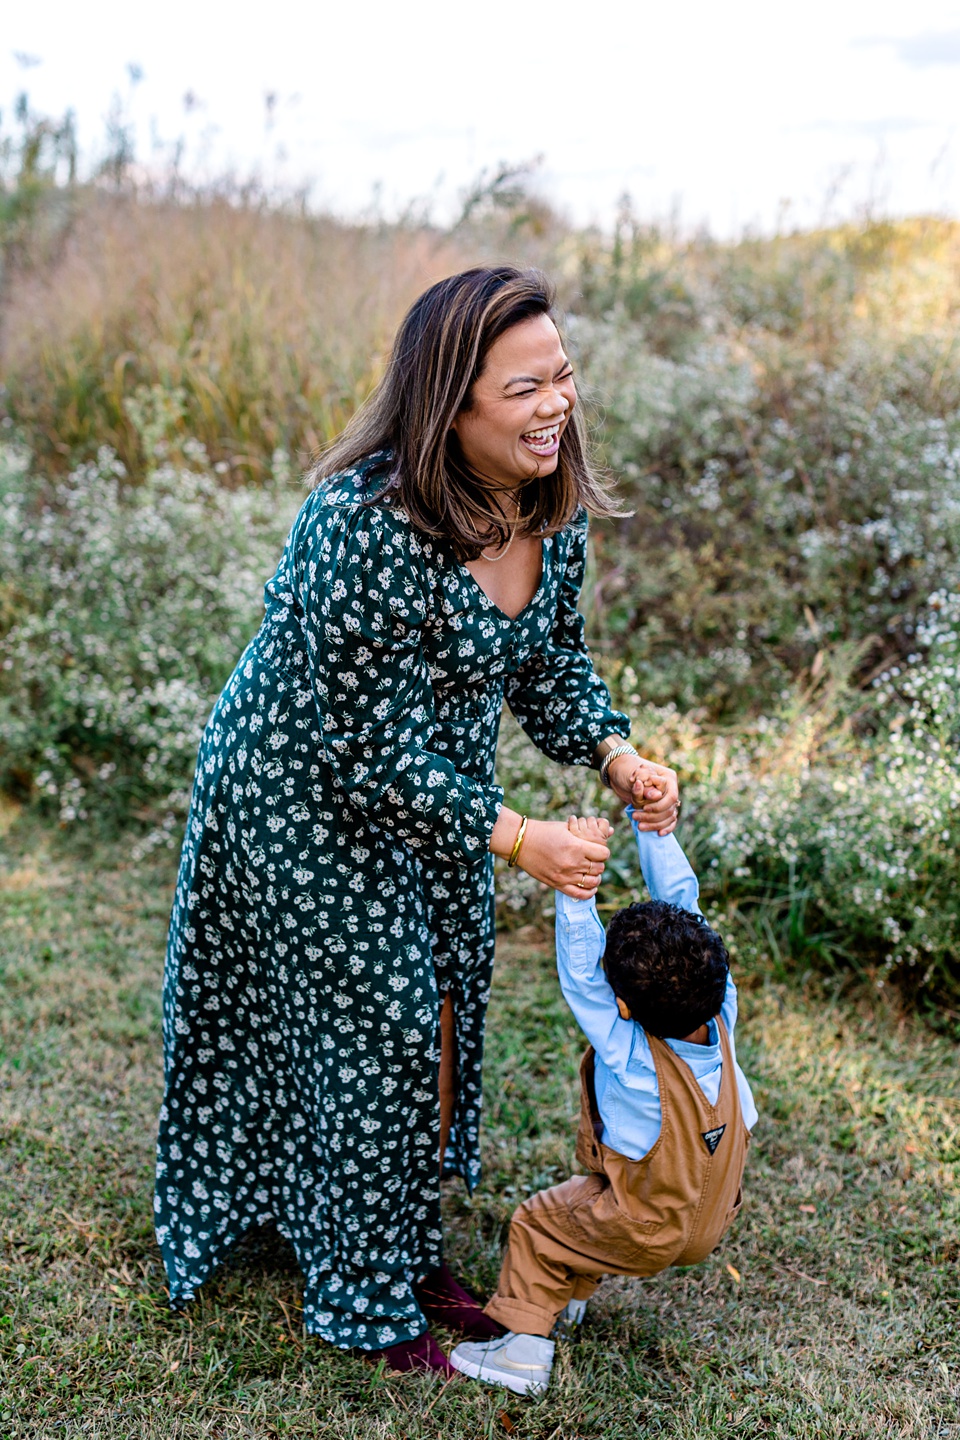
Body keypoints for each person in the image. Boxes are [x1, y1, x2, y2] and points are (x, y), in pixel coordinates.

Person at [154, 266, 680, 1376]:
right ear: (451, 404)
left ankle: (395, 1243)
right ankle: (361, 1302)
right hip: (299, 785)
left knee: (439, 1018)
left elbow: (548, 666)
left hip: (441, 794)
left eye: (564, 377)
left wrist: (617, 754)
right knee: (374, 1029)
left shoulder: (551, 508)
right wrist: (517, 836)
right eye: (524, 388)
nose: (556, 406)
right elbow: (363, 747)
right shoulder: (360, 525)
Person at [450, 809, 757, 1396]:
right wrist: (654, 830)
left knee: (541, 1223)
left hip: (649, 1223)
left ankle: (523, 1349)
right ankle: (568, 1299)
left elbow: (580, 978)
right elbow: (685, 907)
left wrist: (577, 886)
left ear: (622, 1006)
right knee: (588, 1204)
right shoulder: (722, 1011)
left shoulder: (633, 1057)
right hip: (713, 1214)